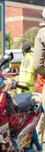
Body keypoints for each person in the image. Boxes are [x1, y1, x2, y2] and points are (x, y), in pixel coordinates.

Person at [32, 8, 45, 143]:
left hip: (41, 90)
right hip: (39, 88)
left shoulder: (42, 34)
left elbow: (37, 66)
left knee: (40, 125)